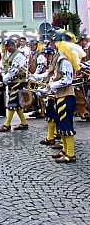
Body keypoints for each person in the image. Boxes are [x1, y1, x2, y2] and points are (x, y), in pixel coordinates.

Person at [37, 31, 85, 163]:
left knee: (65, 123)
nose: (52, 45)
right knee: (60, 122)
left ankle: (70, 153)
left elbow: (67, 79)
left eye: (54, 43)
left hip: (66, 95)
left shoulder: (64, 60)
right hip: (61, 95)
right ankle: (65, 150)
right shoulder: (60, 58)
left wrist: (53, 84)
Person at [0, 38, 29, 132]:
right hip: (10, 80)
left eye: (12, 45)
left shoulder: (19, 55)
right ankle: (24, 123)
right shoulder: (4, 55)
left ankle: (7, 124)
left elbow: (15, 69)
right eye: (8, 46)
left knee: (12, 102)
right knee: (17, 103)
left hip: (18, 80)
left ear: (15, 45)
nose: (10, 47)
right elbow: (1, 67)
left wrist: (5, 78)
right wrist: (3, 76)